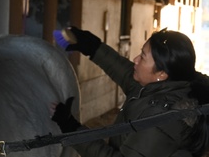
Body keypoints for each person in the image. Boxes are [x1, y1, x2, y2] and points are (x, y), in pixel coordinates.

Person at [51, 27, 209, 157]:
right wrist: (93, 47)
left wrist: (72, 129)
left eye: (143, 57)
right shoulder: (168, 84)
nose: (135, 59)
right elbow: (126, 73)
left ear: (161, 74)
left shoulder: (161, 118)